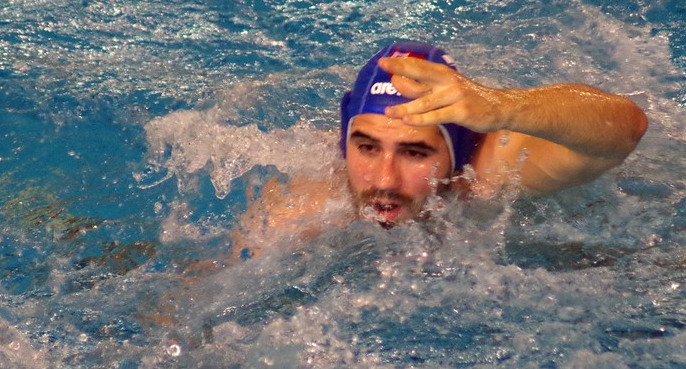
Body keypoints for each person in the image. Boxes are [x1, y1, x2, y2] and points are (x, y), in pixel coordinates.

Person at [235, 41, 648, 253]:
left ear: (461, 150)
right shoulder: (300, 205)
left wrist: (503, 107)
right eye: (367, 148)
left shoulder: (493, 170)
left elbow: (625, 129)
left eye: (415, 152)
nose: (384, 180)